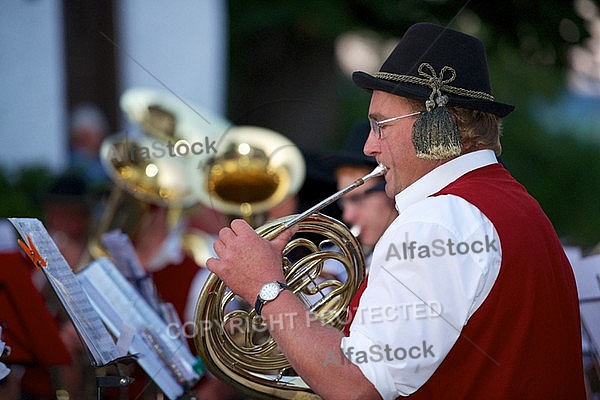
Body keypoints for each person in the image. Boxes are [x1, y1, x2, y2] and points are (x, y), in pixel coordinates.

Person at [205, 22, 586, 399]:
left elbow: (355, 386)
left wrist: (266, 287)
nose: (369, 146)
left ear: (439, 125)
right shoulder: (515, 202)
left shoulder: (436, 221)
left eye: (380, 126)